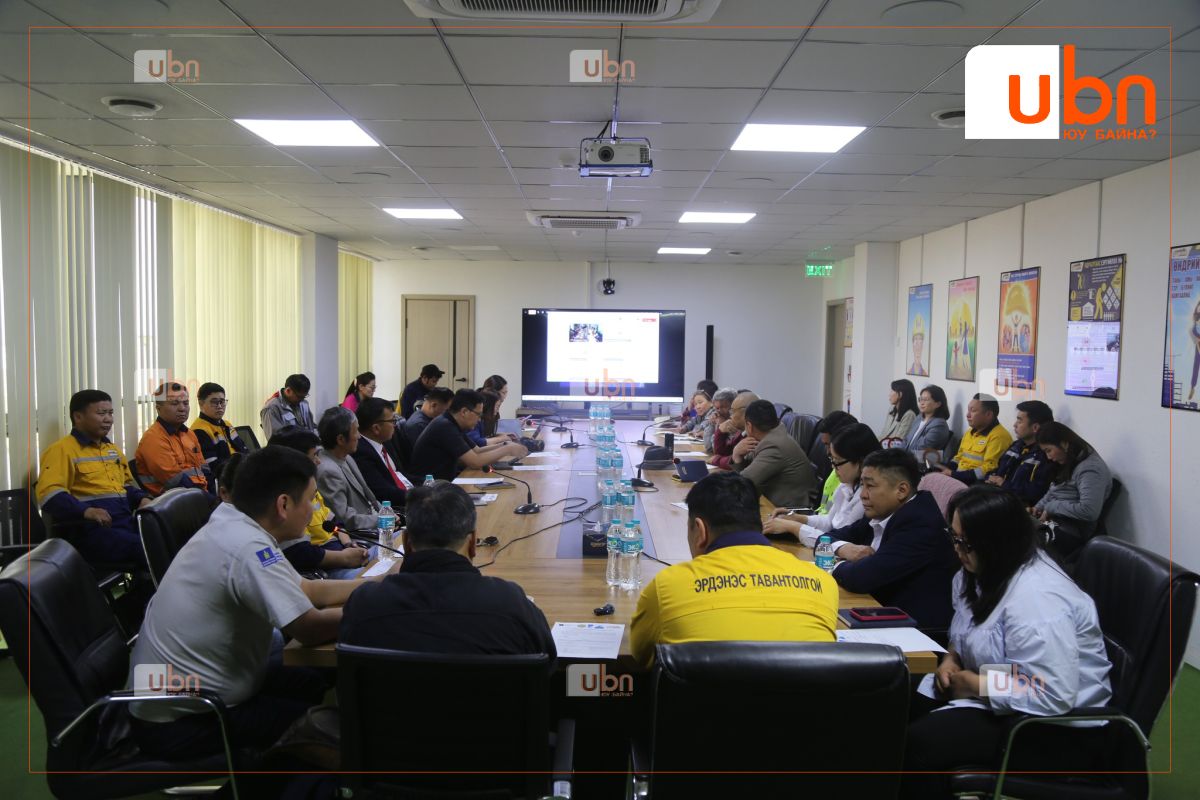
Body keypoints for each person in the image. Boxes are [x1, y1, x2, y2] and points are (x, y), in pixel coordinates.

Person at [126, 446, 378, 767]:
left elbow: (307, 589)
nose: (315, 508)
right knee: (324, 729)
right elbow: (308, 628)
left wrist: (376, 585)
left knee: (314, 682)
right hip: (182, 720)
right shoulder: (246, 546)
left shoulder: (235, 524)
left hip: (199, 690)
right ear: (283, 505)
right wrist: (378, 608)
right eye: (311, 499)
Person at [902, 485, 1113, 800]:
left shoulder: (1038, 599)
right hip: (998, 700)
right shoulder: (980, 571)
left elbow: (1051, 692)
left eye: (966, 542)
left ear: (996, 542)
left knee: (918, 745)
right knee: (892, 699)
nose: (957, 550)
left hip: (1053, 728)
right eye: (954, 537)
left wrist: (976, 684)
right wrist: (951, 659)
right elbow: (965, 630)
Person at [630, 472, 838, 668]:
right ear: (759, 523)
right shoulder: (823, 583)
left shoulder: (668, 587)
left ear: (700, 531)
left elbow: (640, 657)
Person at [340, 481, 555, 654]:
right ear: (473, 543)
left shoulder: (364, 605)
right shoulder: (511, 605)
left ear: (406, 542)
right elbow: (546, 661)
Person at [825, 449, 959, 629]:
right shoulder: (881, 511)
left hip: (914, 631)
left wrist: (831, 564)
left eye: (870, 486)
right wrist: (843, 549)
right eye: (862, 485)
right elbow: (826, 538)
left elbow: (861, 577)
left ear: (901, 490)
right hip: (878, 611)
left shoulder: (921, 525)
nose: (863, 494)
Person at [37, 389, 151, 564]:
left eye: (110, 413)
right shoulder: (62, 450)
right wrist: (86, 511)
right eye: (101, 413)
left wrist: (142, 499)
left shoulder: (112, 450)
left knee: (171, 537)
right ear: (78, 417)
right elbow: (49, 495)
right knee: (152, 548)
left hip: (125, 523)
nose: (108, 419)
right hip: (91, 530)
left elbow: (125, 486)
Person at [269, 428, 371, 579]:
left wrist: (349, 544)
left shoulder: (309, 488)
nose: (318, 461)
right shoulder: (286, 501)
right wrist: (344, 557)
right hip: (326, 568)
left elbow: (334, 522)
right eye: (314, 455)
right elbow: (300, 552)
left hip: (342, 551)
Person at [764, 423, 880, 547]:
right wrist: (797, 518)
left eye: (837, 461)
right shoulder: (846, 484)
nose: (833, 467)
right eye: (832, 460)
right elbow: (830, 521)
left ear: (860, 461)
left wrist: (794, 527)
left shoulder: (866, 496)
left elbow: (842, 540)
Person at [410, 389, 528, 482]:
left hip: (445, 482)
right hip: (430, 488)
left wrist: (505, 444)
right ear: (464, 412)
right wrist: (507, 450)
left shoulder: (452, 422)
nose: (479, 420)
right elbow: (475, 462)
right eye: (478, 415)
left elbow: (477, 450)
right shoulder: (445, 426)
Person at [1033, 422, 1113, 556]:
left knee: (1022, 543)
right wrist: (1038, 507)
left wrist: (1051, 507)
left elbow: (1089, 511)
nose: (1048, 457)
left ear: (1064, 444)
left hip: (1072, 530)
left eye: (1049, 450)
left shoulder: (1090, 469)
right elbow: (1055, 490)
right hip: (1055, 521)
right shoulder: (1067, 459)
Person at [730, 399, 817, 508]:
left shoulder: (773, 446)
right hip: (776, 504)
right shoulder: (773, 436)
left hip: (792, 510)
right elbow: (749, 471)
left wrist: (736, 455)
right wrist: (738, 456)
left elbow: (743, 483)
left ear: (749, 426)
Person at [314, 406, 383, 532]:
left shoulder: (346, 457)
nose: (359, 436)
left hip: (371, 522)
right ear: (341, 439)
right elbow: (344, 519)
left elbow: (369, 496)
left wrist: (386, 513)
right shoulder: (327, 471)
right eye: (356, 431)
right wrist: (382, 520)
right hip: (358, 534)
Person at [135, 382, 211, 496]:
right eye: (174, 403)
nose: (182, 408)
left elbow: (204, 469)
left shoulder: (189, 434)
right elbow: (175, 481)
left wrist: (213, 495)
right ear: (158, 408)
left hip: (198, 495)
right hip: (171, 500)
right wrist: (207, 498)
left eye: (186, 403)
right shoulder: (153, 438)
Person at [984, 400, 1055, 506]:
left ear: (1035, 427)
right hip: (997, 497)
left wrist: (1004, 484)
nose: (1014, 425)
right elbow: (996, 469)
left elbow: (1037, 492)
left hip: (1019, 505)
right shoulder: (1016, 446)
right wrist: (990, 477)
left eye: (1020, 421)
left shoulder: (1046, 455)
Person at [936, 393, 1013, 484]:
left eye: (973, 411)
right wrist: (945, 468)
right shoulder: (970, 432)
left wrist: (953, 474)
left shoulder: (999, 436)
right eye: (968, 410)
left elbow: (988, 469)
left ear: (988, 414)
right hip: (958, 478)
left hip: (975, 484)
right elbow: (959, 457)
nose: (968, 415)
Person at [352, 397, 412, 506]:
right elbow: (383, 492)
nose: (395, 425)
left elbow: (399, 474)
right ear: (376, 428)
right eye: (392, 421)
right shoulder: (361, 452)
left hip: (407, 492)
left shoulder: (384, 441)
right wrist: (418, 496)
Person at [190, 382, 248, 478]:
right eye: (214, 402)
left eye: (222, 401)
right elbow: (214, 466)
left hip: (241, 472)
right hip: (225, 478)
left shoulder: (227, 424)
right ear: (201, 403)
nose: (220, 406)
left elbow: (244, 450)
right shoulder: (199, 430)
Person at [812, 411, 859, 513]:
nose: (828, 451)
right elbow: (822, 510)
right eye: (825, 445)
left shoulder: (854, 481)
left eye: (829, 445)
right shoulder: (833, 465)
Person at [903, 384, 952, 467]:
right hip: (907, 459)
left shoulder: (939, 425)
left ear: (938, 404)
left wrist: (901, 457)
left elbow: (921, 449)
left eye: (926, 400)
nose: (921, 403)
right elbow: (906, 440)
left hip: (920, 464)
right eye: (920, 399)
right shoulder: (919, 418)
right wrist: (895, 453)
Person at [708, 389, 753, 469]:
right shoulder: (742, 432)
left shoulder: (752, 433)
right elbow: (721, 452)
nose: (731, 415)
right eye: (717, 408)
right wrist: (719, 430)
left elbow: (742, 462)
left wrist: (717, 460)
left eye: (733, 411)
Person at [261, 374, 316, 439]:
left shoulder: (304, 403)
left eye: (304, 397)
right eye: (299, 397)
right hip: (290, 445)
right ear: (288, 391)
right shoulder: (272, 408)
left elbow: (311, 427)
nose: (302, 400)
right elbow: (275, 440)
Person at [879, 379, 918, 446]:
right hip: (882, 447)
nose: (889, 394)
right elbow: (883, 434)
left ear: (900, 394)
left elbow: (898, 441)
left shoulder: (909, 415)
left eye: (892, 391)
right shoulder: (892, 410)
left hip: (892, 450)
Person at [704, 387, 737, 454]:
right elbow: (708, 447)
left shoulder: (737, 425)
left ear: (734, 405)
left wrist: (720, 427)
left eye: (723, 407)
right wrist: (712, 425)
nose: (719, 411)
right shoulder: (717, 417)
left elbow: (717, 450)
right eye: (717, 408)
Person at [908, 312, 928, 376]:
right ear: (912, 346)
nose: (918, 348)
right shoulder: (909, 372)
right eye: (915, 340)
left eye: (920, 340)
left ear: (922, 346)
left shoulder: (925, 374)